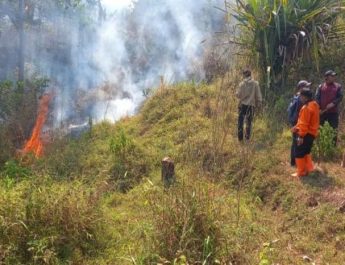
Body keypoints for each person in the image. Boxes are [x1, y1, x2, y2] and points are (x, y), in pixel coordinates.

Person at [291, 88, 320, 178]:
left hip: (305, 134)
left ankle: (301, 172)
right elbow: (307, 121)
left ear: (305, 97)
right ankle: (309, 168)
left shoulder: (306, 108)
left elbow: (304, 124)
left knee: (299, 153)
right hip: (312, 134)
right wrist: (296, 127)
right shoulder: (314, 105)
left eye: (300, 96)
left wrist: (300, 136)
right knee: (306, 152)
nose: (299, 97)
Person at [315, 70, 343, 144]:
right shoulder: (320, 87)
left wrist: (333, 103)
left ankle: (332, 148)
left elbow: (340, 97)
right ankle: (321, 146)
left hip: (333, 113)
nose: (334, 77)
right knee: (320, 130)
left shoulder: (338, 86)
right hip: (322, 113)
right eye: (332, 76)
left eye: (334, 76)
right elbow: (317, 98)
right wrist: (319, 109)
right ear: (327, 77)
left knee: (333, 130)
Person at [287, 80, 311, 166]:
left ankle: (294, 162)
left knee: (296, 142)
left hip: (297, 123)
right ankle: (294, 162)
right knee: (296, 142)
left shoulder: (297, 97)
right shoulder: (300, 98)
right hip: (298, 123)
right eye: (306, 86)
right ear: (301, 88)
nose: (308, 87)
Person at [236, 69, 262, 141]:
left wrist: (238, 94)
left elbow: (238, 95)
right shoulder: (255, 84)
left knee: (240, 122)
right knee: (248, 122)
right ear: (250, 75)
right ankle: (247, 138)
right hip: (251, 106)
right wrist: (259, 104)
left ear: (244, 75)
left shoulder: (241, 84)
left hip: (242, 105)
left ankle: (240, 138)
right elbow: (258, 96)